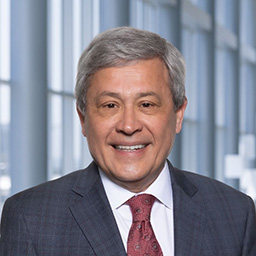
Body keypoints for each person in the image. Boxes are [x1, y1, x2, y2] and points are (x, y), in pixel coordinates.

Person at [0, 27, 256, 256]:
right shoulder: (30, 218)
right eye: (110, 105)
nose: (129, 126)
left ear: (178, 115)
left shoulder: (235, 214)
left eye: (146, 104)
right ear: (83, 118)